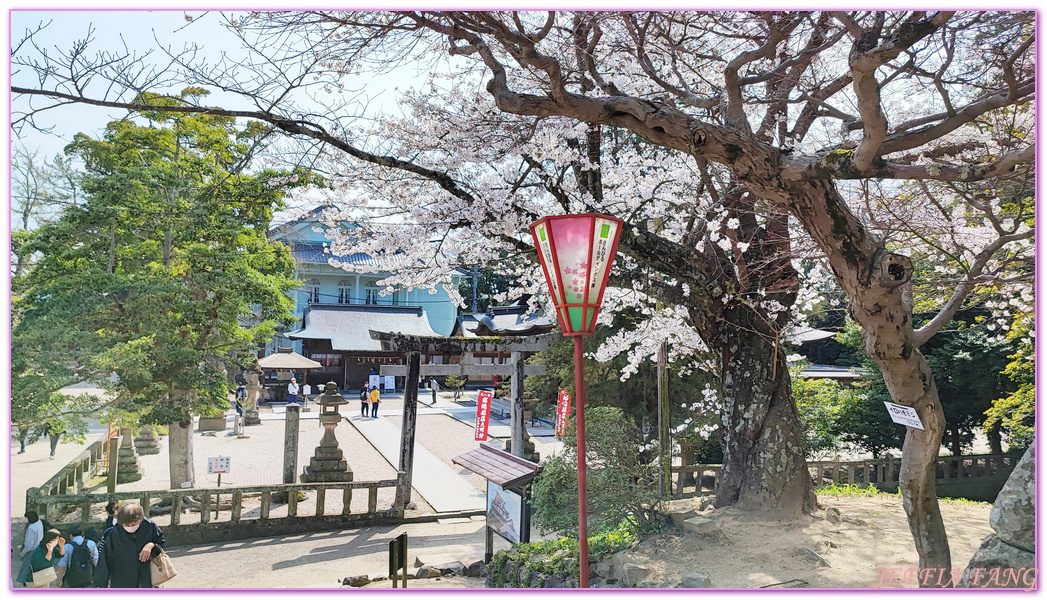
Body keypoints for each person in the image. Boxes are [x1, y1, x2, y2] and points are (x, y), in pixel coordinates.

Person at [92, 502, 166, 588]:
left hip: (145, 576)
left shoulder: (150, 526)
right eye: (127, 525)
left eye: (134, 524)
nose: (130, 527)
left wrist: (151, 545)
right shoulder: (113, 534)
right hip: (121, 578)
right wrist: (102, 583)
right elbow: (105, 560)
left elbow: (160, 544)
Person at [15, 510, 45, 586]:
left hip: (32, 550)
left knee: (26, 567)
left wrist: (22, 553)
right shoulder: (39, 523)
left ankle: (25, 583)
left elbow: (29, 545)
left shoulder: (31, 528)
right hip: (38, 547)